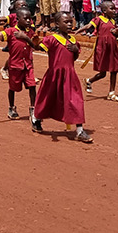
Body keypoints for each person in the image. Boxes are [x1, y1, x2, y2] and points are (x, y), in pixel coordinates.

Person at [33, 12, 92, 143]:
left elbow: (74, 58)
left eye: (71, 21)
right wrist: (33, 42)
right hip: (54, 75)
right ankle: (36, 119)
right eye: (66, 22)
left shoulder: (73, 40)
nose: (70, 24)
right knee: (47, 99)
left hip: (70, 75)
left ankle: (80, 130)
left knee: (76, 100)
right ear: (57, 24)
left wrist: (76, 50)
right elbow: (39, 47)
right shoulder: (52, 39)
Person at [78, 5, 118, 102]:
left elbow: (114, 34)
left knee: (114, 70)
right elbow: (89, 26)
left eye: (114, 9)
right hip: (102, 48)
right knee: (103, 73)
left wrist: (116, 32)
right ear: (104, 10)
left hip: (112, 48)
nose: (114, 11)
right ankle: (89, 81)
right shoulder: (99, 19)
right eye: (111, 9)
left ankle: (112, 92)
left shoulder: (113, 22)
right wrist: (79, 30)